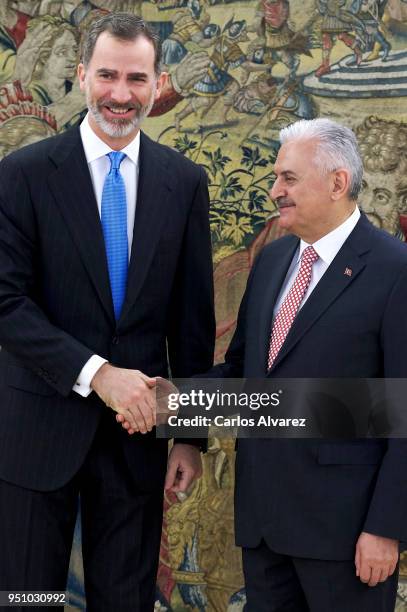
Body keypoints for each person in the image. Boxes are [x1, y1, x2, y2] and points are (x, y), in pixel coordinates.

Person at [0, 12, 215, 612]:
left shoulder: (184, 183)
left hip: (138, 443)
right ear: (82, 76)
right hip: (34, 435)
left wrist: (188, 436)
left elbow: (191, 323)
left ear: (156, 81)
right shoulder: (22, 175)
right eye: (108, 76)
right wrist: (98, 374)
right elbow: (6, 303)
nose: (121, 95)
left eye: (137, 79)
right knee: (26, 600)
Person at [203, 118, 407, 610]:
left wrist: (385, 528)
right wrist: (167, 403)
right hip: (265, 529)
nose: (274, 190)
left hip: (346, 537)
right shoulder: (272, 262)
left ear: (337, 182)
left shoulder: (394, 271)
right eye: (276, 177)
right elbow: (242, 376)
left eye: (288, 178)